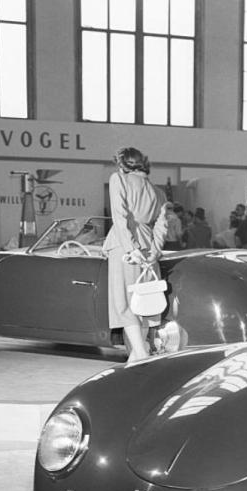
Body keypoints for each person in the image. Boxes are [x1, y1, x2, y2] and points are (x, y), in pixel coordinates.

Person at [103, 146, 165, 365]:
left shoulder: (118, 179)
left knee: (125, 303)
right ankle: (136, 357)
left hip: (125, 246)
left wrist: (131, 249)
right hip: (149, 247)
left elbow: (119, 216)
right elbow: (161, 226)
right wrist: (154, 252)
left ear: (122, 164)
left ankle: (142, 356)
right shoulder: (158, 191)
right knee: (146, 301)